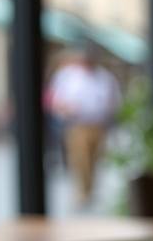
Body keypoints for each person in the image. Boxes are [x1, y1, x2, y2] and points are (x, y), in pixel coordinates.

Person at [47, 46, 122, 209]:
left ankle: (89, 189)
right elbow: (55, 99)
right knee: (80, 159)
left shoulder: (105, 77)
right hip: (77, 124)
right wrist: (65, 108)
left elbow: (114, 101)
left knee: (94, 159)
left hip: (99, 124)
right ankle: (82, 191)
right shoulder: (68, 76)